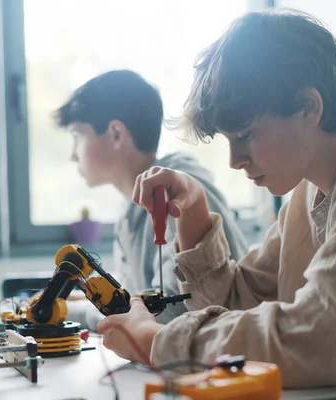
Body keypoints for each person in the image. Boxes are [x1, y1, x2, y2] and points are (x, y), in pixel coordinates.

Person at [96, 10, 336, 388]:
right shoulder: (312, 189)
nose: (234, 160)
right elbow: (242, 300)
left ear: (309, 107)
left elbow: (319, 339)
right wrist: (193, 210)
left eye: (245, 134)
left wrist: (156, 342)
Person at [54, 70, 249, 330]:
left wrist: (69, 311)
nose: (73, 156)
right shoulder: (129, 210)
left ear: (115, 134)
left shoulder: (176, 192)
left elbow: (173, 314)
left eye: (78, 136)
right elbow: (131, 302)